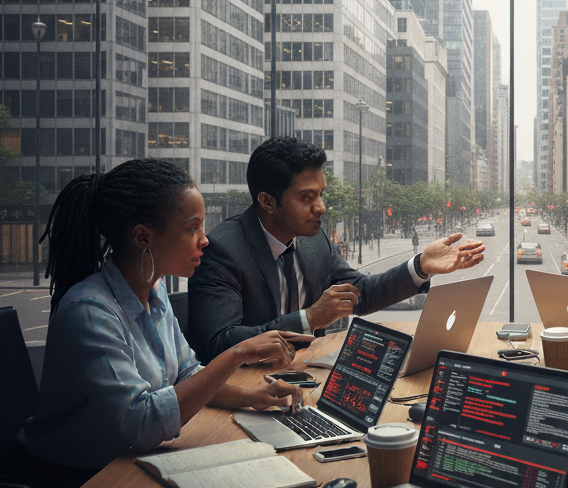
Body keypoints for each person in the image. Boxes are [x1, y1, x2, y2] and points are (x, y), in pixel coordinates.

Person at [14, 160, 308, 479]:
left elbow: (184, 374)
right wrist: (238, 354)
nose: (204, 239)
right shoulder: (89, 311)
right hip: (73, 475)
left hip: (128, 462)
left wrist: (253, 397)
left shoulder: (155, 288)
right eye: (191, 228)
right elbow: (144, 425)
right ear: (143, 237)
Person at [187, 137, 485, 362]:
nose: (322, 207)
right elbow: (218, 343)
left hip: (303, 374)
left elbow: (361, 294)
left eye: (321, 194)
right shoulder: (223, 251)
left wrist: (420, 266)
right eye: (307, 197)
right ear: (267, 201)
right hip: (245, 389)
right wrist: (310, 318)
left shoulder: (314, 240)